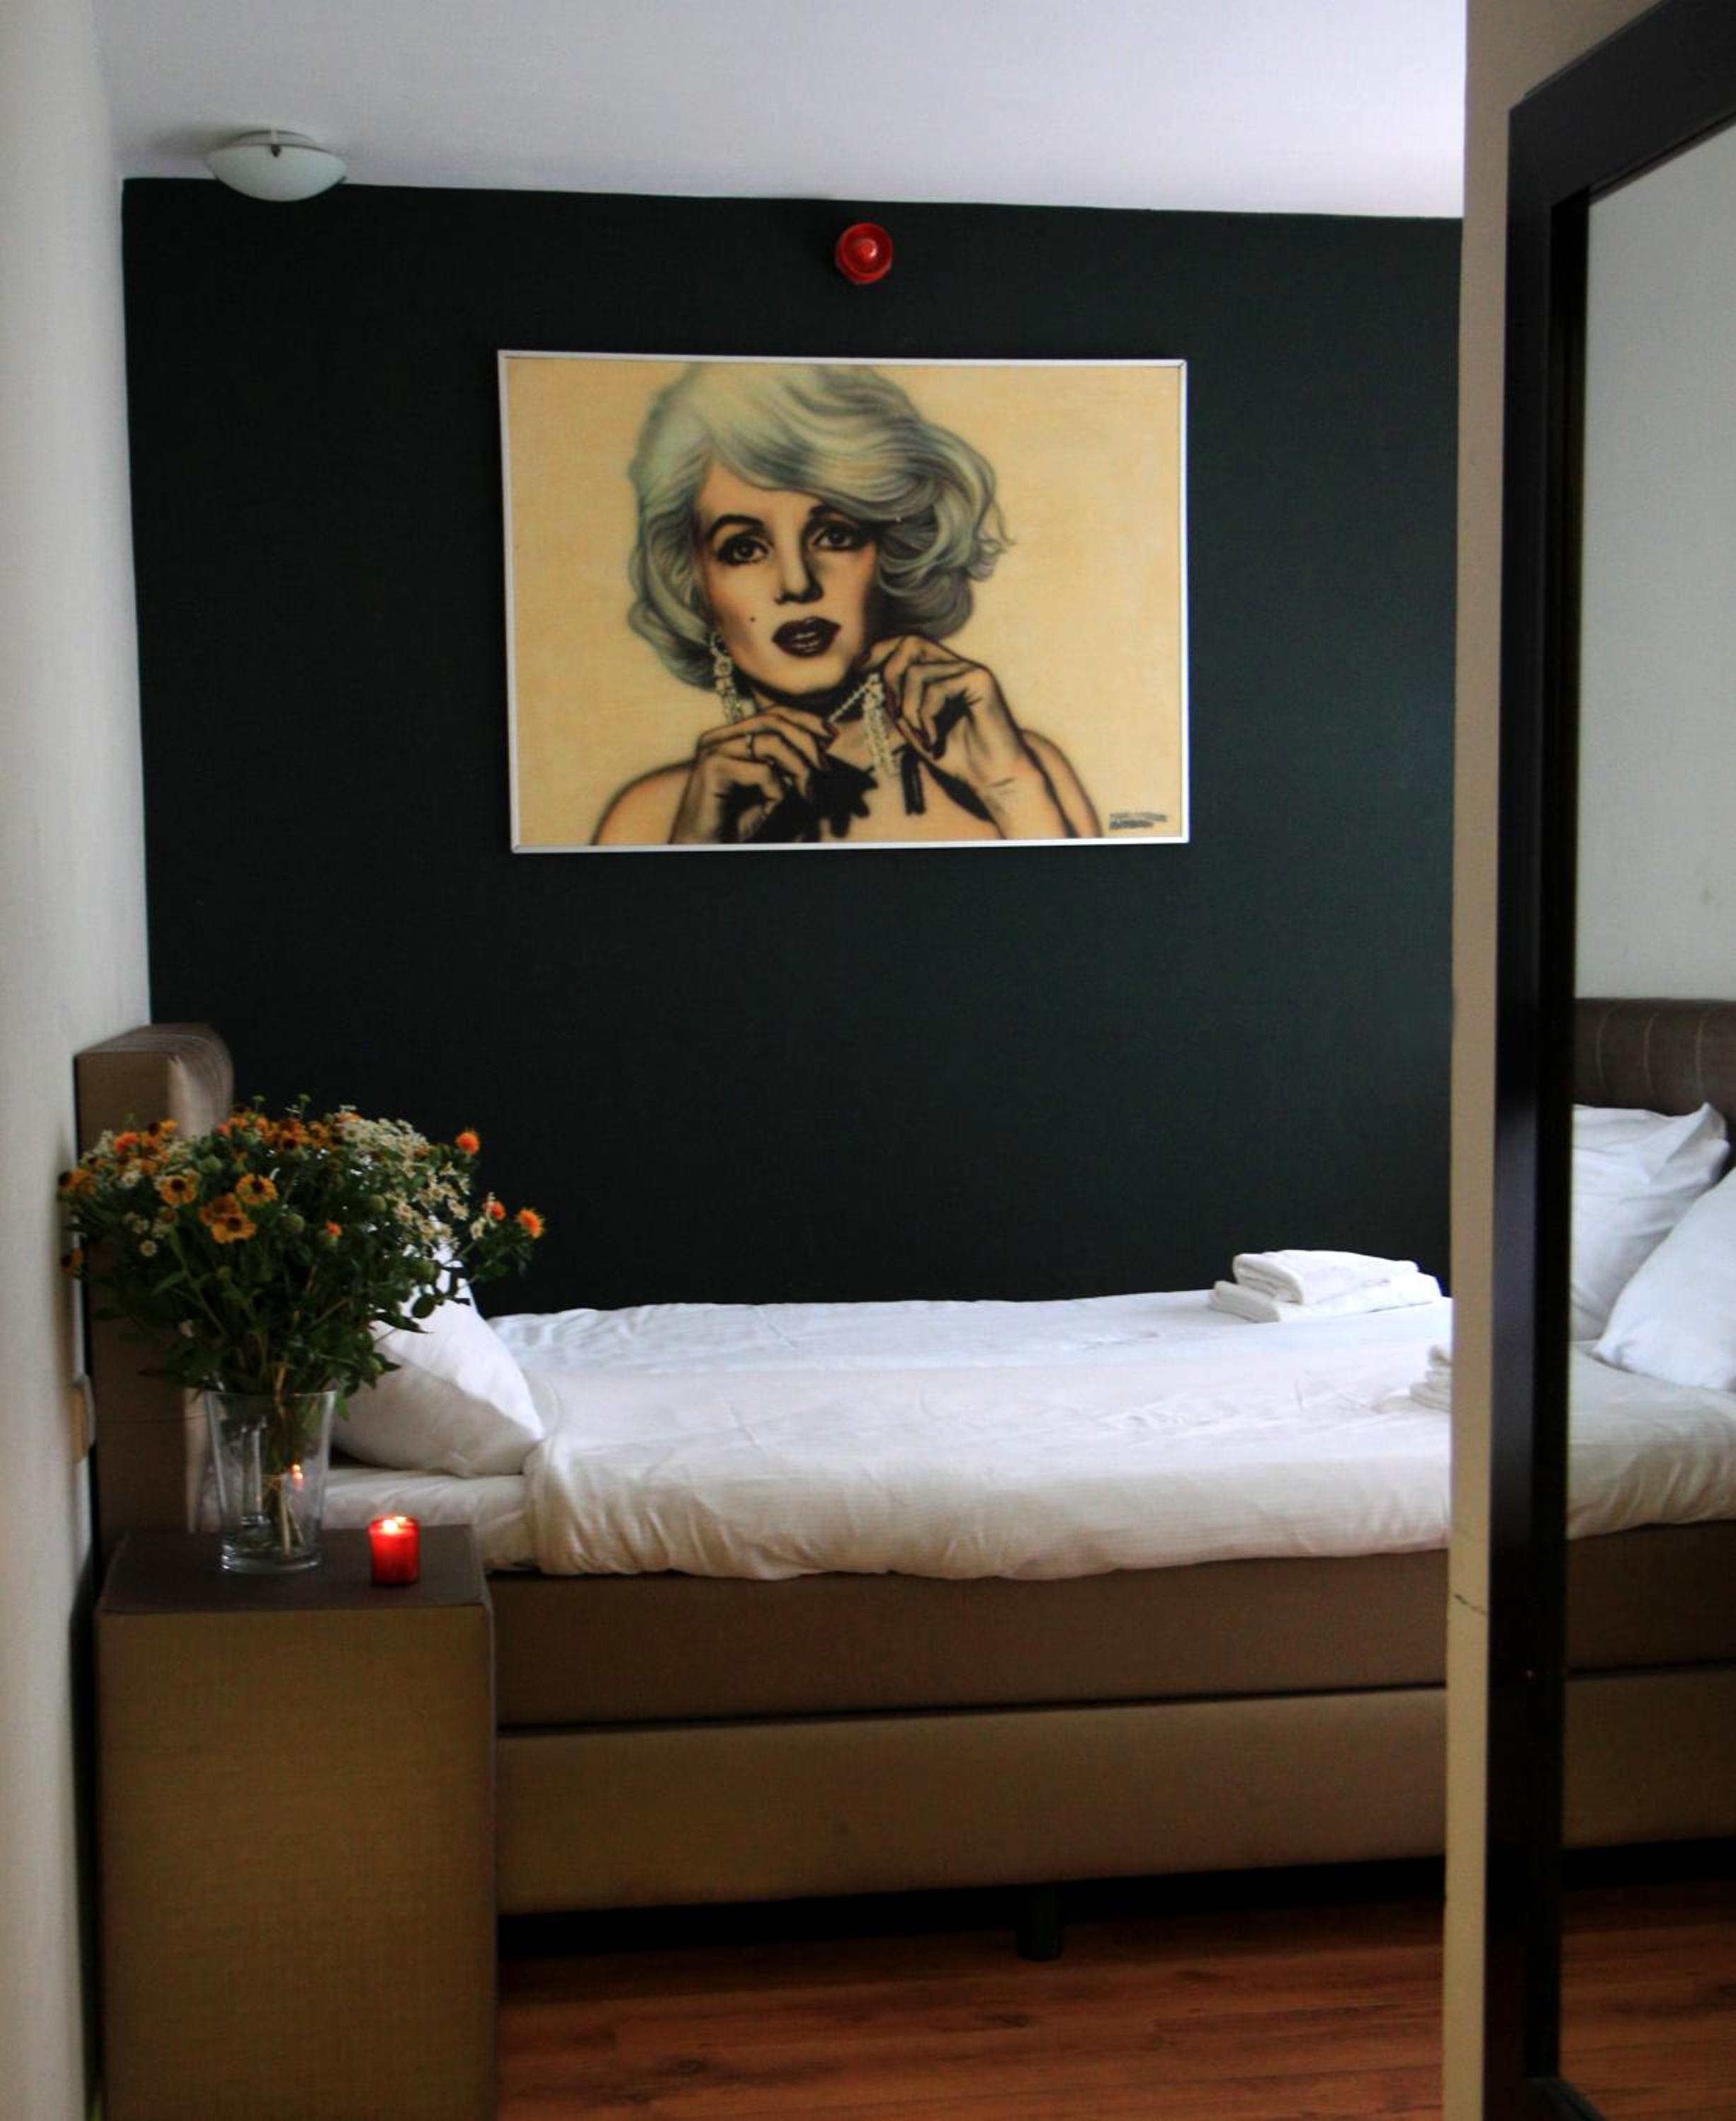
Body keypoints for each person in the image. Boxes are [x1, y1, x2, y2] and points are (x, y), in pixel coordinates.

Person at [592, 362, 1100, 846]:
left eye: (835, 536)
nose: (797, 583)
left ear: (892, 555)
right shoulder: (649, 819)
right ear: (696, 585)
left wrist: (1008, 789)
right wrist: (697, 846)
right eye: (744, 550)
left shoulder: (1018, 773)